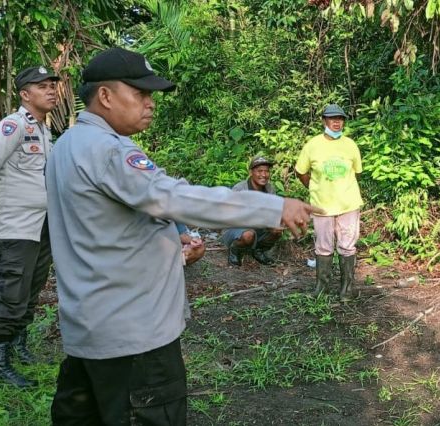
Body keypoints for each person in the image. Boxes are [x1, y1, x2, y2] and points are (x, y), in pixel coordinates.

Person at [45, 47, 319, 425]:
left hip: (91, 330)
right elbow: (172, 197)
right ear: (105, 96)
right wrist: (272, 208)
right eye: (140, 93)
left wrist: (163, 243)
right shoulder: (109, 151)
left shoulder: (67, 147)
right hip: (135, 338)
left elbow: (97, 230)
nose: (150, 103)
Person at [0, 66, 60, 387]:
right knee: (11, 292)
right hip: (15, 227)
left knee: (31, 289)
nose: (52, 90)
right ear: (25, 94)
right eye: (43, 86)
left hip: (40, 226)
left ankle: (17, 345)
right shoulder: (12, 126)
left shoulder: (43, 130)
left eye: (53, 85)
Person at [295, 104, 363, 302]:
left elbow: (357, 172)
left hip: (348, 204)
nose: (336, 122)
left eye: (340, 119)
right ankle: (321, 287)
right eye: (332, 118)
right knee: (323, 247)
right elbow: (301, 171)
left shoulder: (350, 145)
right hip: (322, 205)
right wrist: (315, 188)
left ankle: (346, 290)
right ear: (324, 120)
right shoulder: (312, 145)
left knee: (347, 246)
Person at [222, 155, 284, 266]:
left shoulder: (270, 189)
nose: (264, 175)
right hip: (235, 228)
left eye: (266, 171)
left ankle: (259, 251)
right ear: (251, 172)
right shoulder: (240, 189)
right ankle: (234, 250)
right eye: (259, 171)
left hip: (259, 227)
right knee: (248, 235)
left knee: (277, 230)